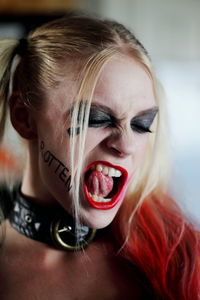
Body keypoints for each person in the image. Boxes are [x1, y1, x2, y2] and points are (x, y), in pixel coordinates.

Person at [0, 13, 199, 300]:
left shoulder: (182, 260)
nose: (127, 145)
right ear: (23, 118)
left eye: (141, 124)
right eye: (95, 118)